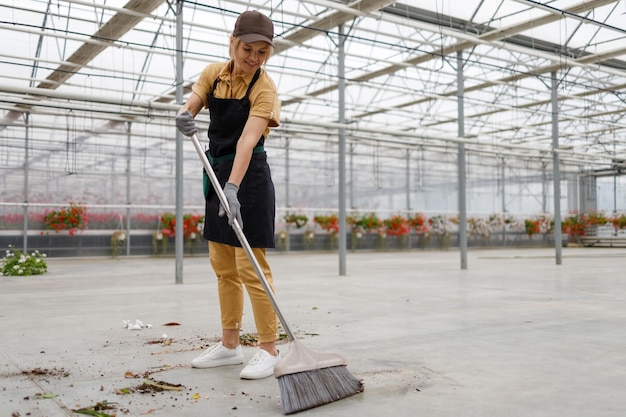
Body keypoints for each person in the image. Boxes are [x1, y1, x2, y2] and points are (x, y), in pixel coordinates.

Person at [175, 10, 281, 380]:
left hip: (248, 179)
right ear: (233, 42)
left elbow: (248, 141)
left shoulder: (264, 89)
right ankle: (230, 346)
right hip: (217, 172)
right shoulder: (213, 74)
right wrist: (184, 114)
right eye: (247, 49)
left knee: (250, 267)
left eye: (262, 52)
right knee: (223, 267)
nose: (253, 58)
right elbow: (193, 100)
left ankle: (268, 349)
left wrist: (233, 188)